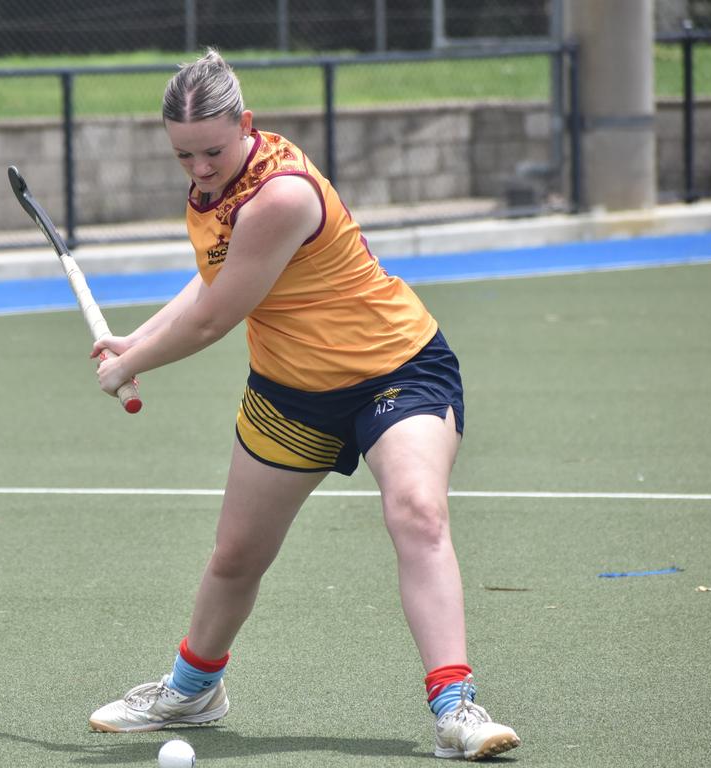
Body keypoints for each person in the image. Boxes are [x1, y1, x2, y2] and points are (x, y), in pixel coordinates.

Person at [87, 48, 520, 761]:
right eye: (183, 155)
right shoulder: (215, 188)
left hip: (396, 370)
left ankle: (455, 707)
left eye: (212, 151)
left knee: (417, 510)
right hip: (291, 391)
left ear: (247, 126)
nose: (198, 168)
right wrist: (140, 335)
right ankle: (193, 689)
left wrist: (131, 366)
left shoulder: (280, 194)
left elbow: (215, 319)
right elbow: (218, 281)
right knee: (237, 556)